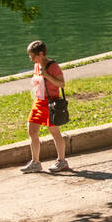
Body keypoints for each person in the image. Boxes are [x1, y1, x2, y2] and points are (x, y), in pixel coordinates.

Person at [20, 40, 68, 174]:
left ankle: (62, 161)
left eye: (32, 56)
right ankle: (35, 162)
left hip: (50, 103)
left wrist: (47, 75)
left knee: (54, 132)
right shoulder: (36, 65)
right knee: (32, 130)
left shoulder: (53, 66)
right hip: (38, 102)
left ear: (40, 54)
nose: (31, 59)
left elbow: (62, 84)